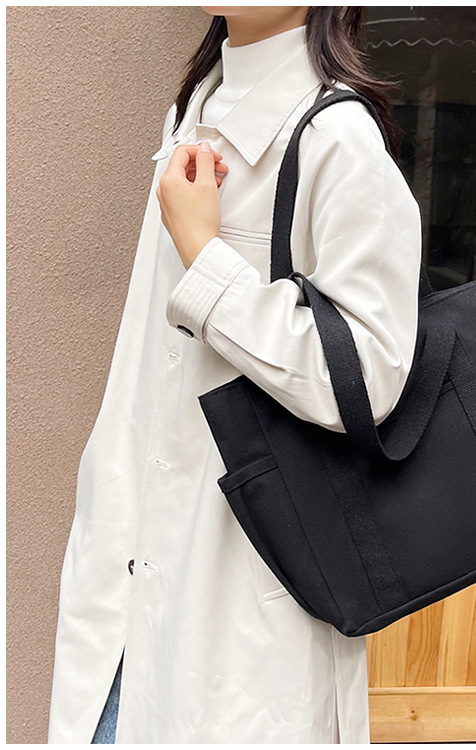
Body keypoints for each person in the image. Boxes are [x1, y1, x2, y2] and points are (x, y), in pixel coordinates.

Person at [47, 6, 422, 744]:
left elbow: (370, 375)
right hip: (130, 572)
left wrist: (206, 259)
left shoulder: (336, 136)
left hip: (240, 603)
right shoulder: (193, 110)